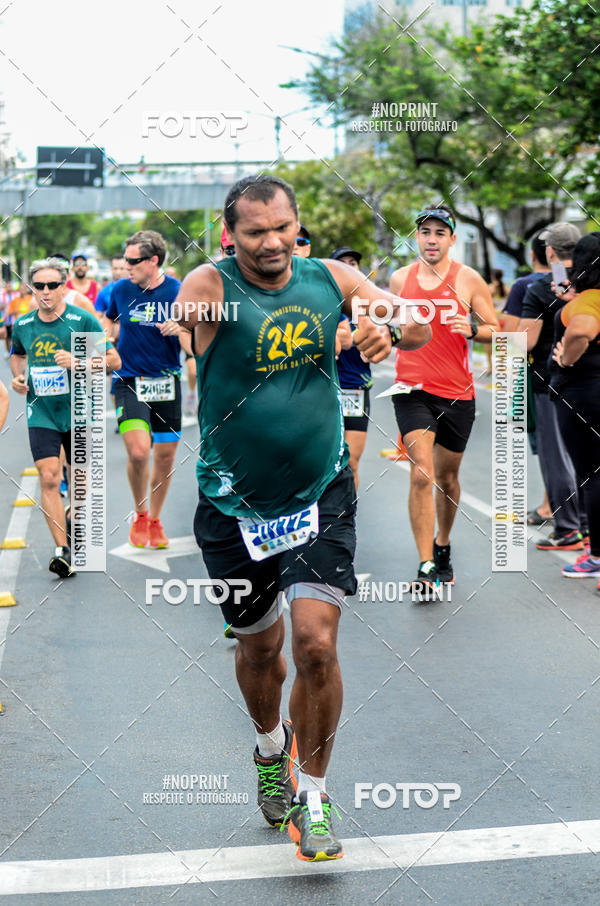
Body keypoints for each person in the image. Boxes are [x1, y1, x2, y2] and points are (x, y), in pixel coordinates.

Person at [174, 174, 430, 862]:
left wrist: (386, 329)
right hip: (233, 503)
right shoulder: (209, 285)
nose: (271, 242)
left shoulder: (331, 276)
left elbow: (403, 316)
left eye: (282, 227)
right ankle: (268, 747)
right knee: (260, 649)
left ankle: (313, 797)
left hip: (321, 490)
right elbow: (186, 326)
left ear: (296, 223)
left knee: (315, 642)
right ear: (231, 235)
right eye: (254, 232)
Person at [390, 204, 499, 589]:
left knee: (448, 478)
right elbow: (389, 325)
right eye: (425, 232)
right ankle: (424, 566)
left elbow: (495, 329)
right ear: (416, 237)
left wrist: (472, 329)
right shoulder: (399, 279)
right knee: (422, 471)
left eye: (439, 233)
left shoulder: (468, 279)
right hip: (410, 389)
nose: (431, 239)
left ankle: (443, 544)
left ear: (452, 239)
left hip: (457, 392)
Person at [9, 257, 120, 577]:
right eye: (39, 286)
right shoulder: (24, 325)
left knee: (80, 487)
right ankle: (62, 551)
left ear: (63, 286)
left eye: (53, 285)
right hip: (41, 411)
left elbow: (113, 360)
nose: (46, 291)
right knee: (48, 477)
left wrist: (79, 362)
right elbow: (17, 354)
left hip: (79, 411)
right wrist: (18, 378)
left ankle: (73, 519)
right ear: (32, 288)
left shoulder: (82, 320)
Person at [105, 230, 182, 550]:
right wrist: (107, 341)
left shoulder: (179, 291)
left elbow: (199, 332)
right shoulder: (122, 290)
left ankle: (154, 520)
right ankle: (139, 515)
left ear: (153, 261)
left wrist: (182, 328)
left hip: (166, 382)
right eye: (125, 260)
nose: (126, 266)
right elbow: (108, 320)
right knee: (138, 452)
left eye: (133, 261)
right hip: (129, 381)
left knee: (164, 458)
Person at [518, 222, 586, 551]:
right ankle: (586, 525)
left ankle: (569, 529)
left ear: (549, 252)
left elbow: (526, 342)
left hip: (550, 383)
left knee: (556, 458)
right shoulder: (589, 283)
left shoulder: (542, 288)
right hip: (588, 382)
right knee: (585, 457)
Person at [548, 232, 600, 580]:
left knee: (592, 475)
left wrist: (566, 358)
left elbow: (582, 330)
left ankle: (596, 555)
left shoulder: (587, 303)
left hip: (584, 397)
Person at [330, 246, 373, 490]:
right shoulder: (322, 303)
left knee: (351, 463)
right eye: (342, 263)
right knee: (325, 464)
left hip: (356, 389)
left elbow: (387, 336)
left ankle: (347, 521)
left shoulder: (368, 306)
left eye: (353, 263)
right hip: (325, 389)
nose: (349, 267)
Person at [94, 256, 128, 320]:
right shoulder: (104, 291)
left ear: (127, 268)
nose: (118, 272)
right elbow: (98, 316)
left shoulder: (136, 288)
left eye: (122, 268)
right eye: (115, 268)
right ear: (111, 269)